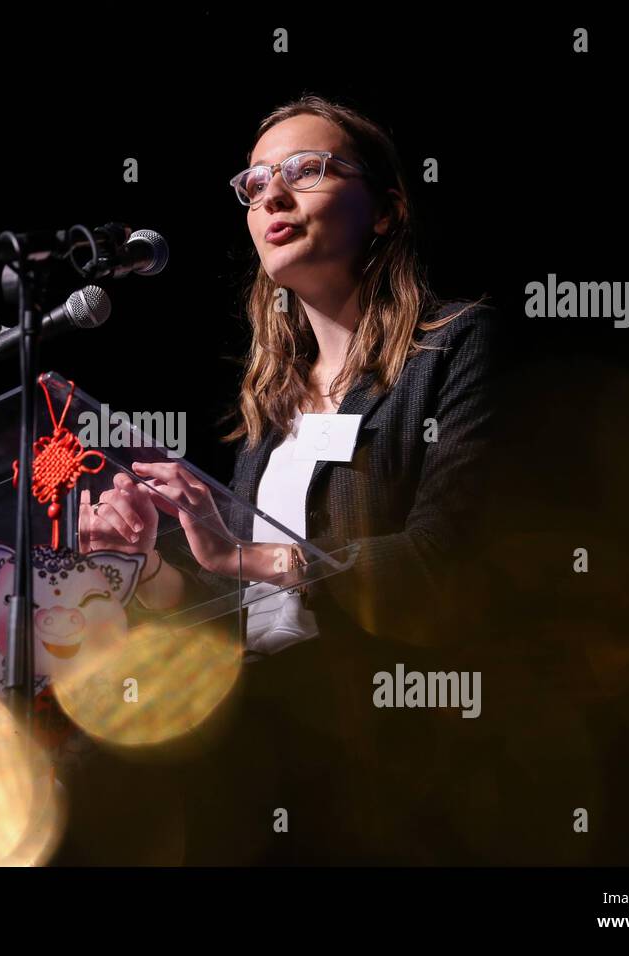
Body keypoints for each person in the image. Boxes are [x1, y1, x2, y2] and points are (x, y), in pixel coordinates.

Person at [77, 95, 506, 864]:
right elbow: (237, 612)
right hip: (255, 752)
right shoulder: (269, 408)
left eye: (307, 170)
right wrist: (147, 565)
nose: (272, 194)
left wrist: (243, 556)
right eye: (256, 181)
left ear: (384, 210)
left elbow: (450, 560)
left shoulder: (456, 348)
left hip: (384, 751)